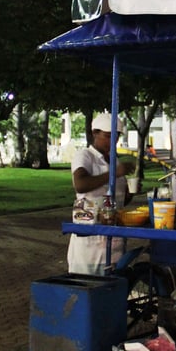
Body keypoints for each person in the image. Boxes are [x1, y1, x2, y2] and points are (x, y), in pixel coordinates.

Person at [67, 112, 134, 275]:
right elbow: (80, 184)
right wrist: (114, 173)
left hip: (113, 238)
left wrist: (132, 189)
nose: (113, 141)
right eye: (108, 136)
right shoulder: (85, 156)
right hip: (89, 240)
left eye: (116, 137)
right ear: (94, 133)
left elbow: (120, 199)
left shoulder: (114, 160)